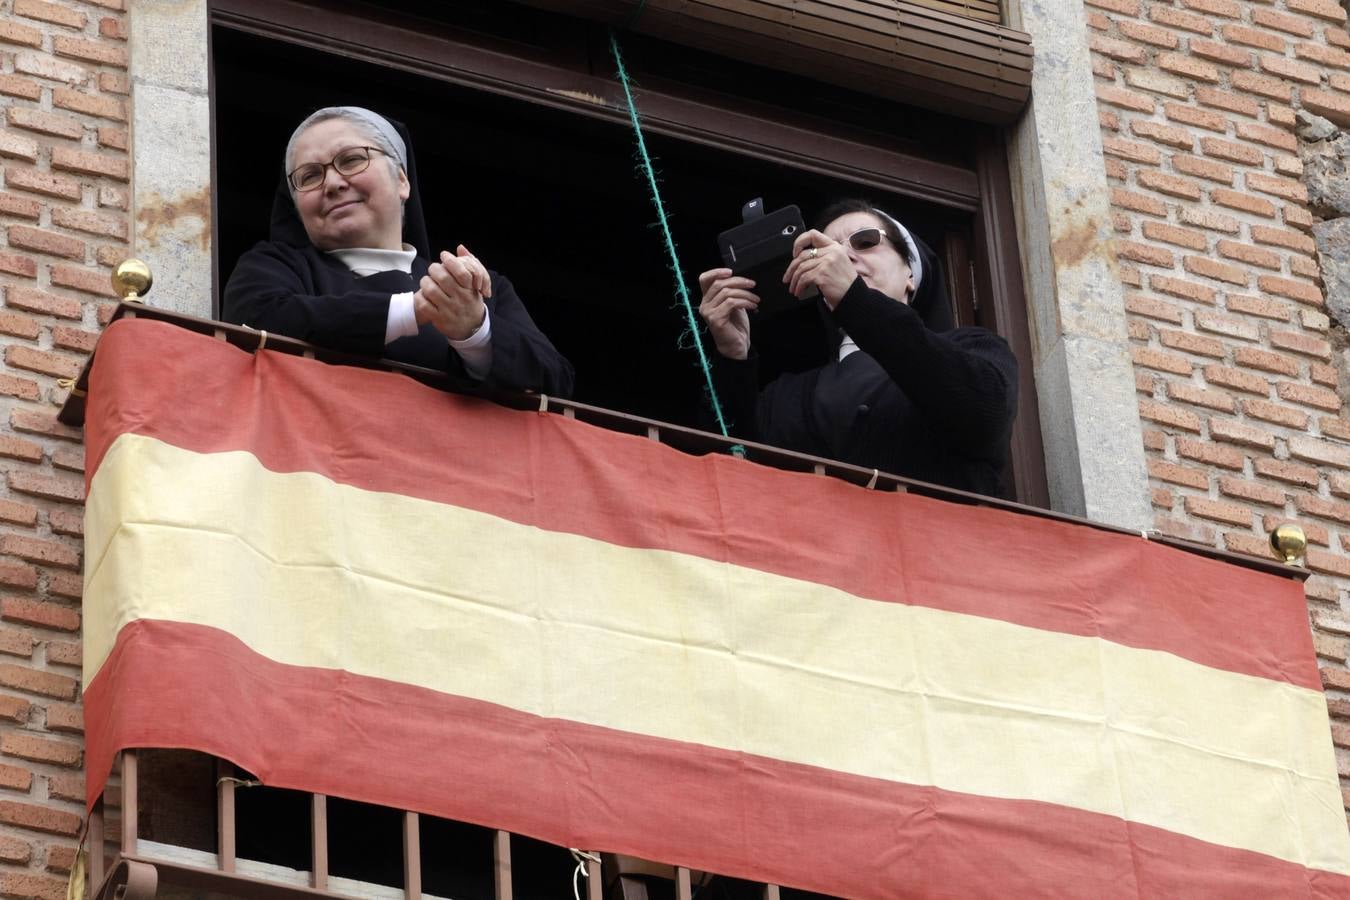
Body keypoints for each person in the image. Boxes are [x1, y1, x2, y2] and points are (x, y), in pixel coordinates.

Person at [223, 106, 574, 396]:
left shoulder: (474, 290)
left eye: (351, 160)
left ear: (402, 181)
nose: (332, 183)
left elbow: (555, 380)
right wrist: (413, 310)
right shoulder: (273, 267)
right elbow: (255, 321)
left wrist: (473, 331)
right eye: (310, 176)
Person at [698, 199, 1017, 495]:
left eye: (865, 241)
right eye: (823, 251)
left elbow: (983, 414)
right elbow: (726, 468)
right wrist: (733, 358)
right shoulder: (787, 394)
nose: (843, 256)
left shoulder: (976, 348)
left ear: (910, 273)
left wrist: (855, 300)